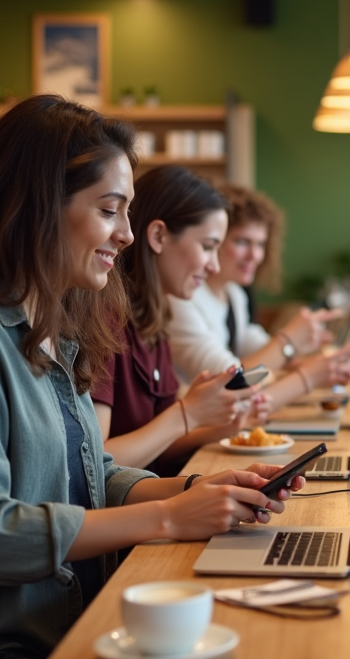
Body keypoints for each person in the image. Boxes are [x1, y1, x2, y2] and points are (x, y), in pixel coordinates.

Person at [0, 96, 300, 659]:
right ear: (35, 209)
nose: (128, 234)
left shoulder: (54, 328)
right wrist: (164, 518)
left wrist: (195, 491)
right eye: (110, 210)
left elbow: (92, 473)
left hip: (67, 625)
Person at [91, 166, 268, 476]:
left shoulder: (154, 320)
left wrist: (214, 426)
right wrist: (187, 414)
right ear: (158, 236)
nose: (214, 266)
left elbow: (157, 445)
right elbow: (94, 463)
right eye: (208, 247)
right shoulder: (105, 322)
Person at [166, 184, 350, 412]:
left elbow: (255, 346)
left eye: (261, 244)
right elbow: (230, 380)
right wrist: (288, 343)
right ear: (215, 238)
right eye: (242, 242)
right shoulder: (182, 298)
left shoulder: (234, 295)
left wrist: (310, 361)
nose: (255, 255)